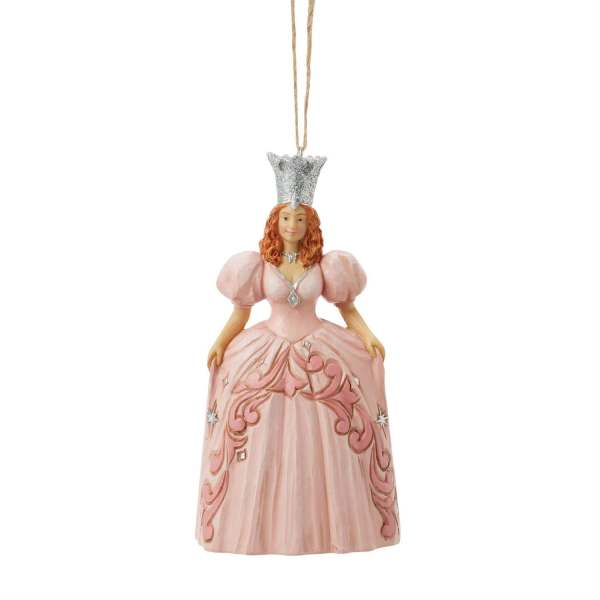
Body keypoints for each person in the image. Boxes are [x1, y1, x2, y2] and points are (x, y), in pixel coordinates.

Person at [195, 153, 400, 554]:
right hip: (266, 349)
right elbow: (241, 312)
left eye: (300, 219)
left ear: (310, 225)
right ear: (275, 222)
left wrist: (368, 335)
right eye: (286, 218)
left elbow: (347, 309)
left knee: (330, 434)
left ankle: (329, 525)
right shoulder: (259, 265)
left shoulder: (325, 265)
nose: (292, 225)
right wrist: (220, 341)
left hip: (318, 351)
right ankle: (254, 526)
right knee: (255, 429)